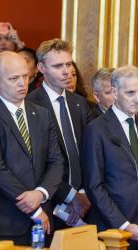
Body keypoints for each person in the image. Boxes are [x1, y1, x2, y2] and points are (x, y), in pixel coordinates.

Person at [0, 51, 63, 245]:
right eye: (14, 78)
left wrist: (41, 193)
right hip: (6, 221)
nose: (22, 83)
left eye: (25, 76)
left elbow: (56, 161)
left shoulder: (42, 114)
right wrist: (34, 208)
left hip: (42, 219)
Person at [82, 65, 138, 249]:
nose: (137, 99)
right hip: (113, 231)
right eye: (130, 93)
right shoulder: (97, 129)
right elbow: (94, 186)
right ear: (114, 92)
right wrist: (125, 225)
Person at [27, 39, 91, 229]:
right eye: (57, 66)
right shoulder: (31, 105)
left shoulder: (79, 103)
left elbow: (88, 153)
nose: (66, 71)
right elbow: (38, 162)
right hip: (50, 203)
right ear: (41, 68)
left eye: (69, 64)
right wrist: (70, 196)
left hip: (84, 203)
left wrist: (83, 194)